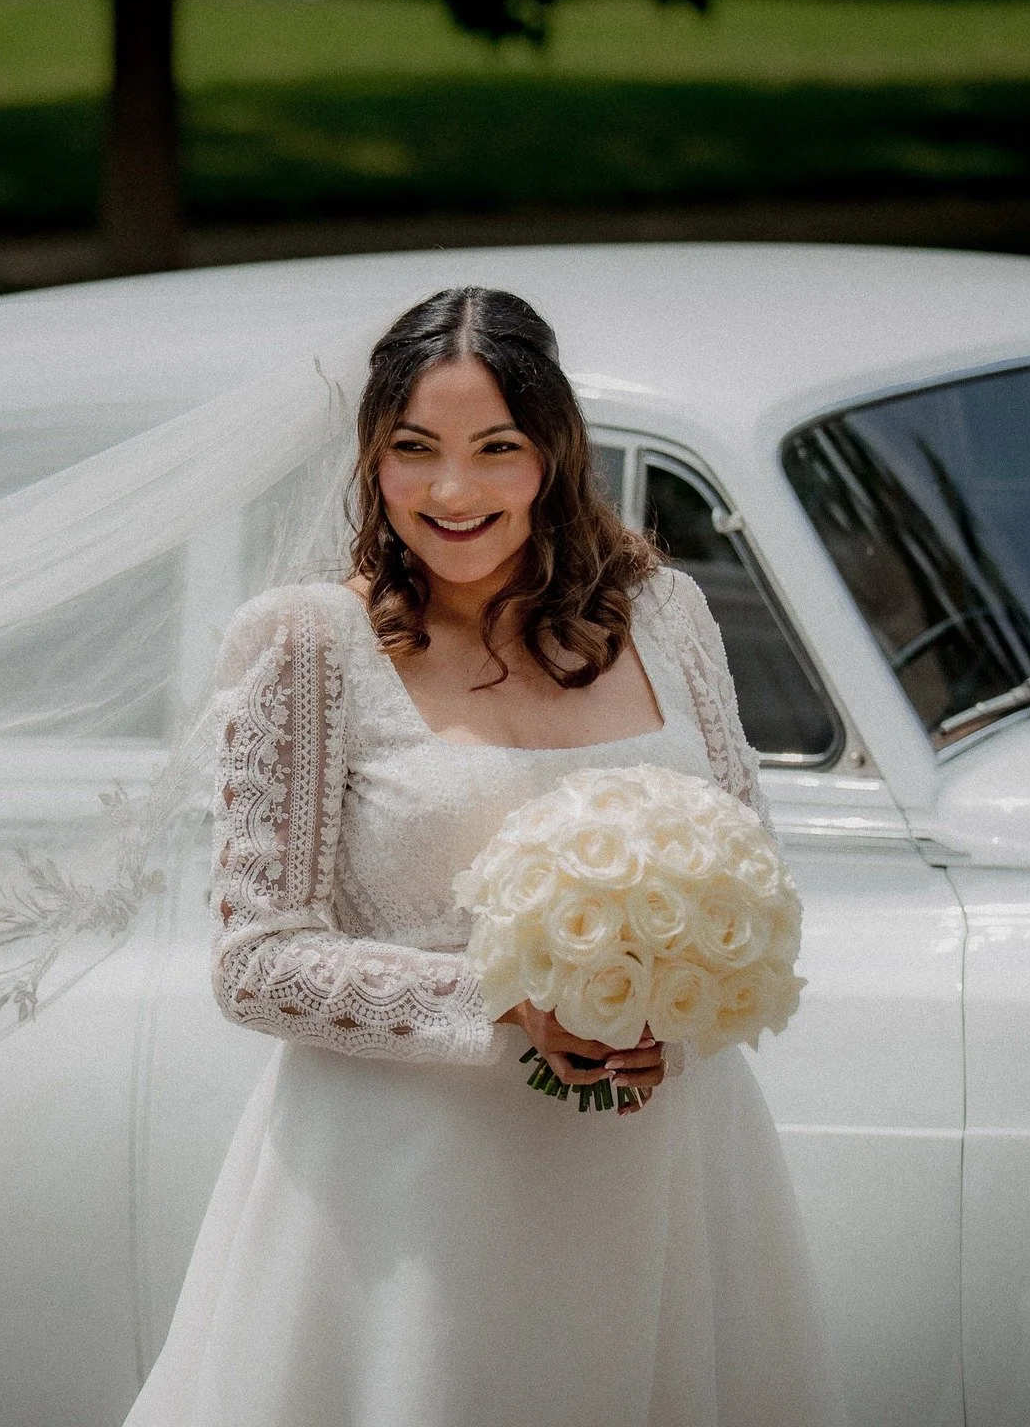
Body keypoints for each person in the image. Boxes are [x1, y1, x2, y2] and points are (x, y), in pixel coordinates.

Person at [124, 287, 844, 1427]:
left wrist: (679, 997)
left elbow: (748, 860)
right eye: (415, 450)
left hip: (663, 1167)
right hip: (410, 1197)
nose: (452, 492)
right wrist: (510, 999)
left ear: (553, 454)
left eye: (495, 449)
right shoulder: (310, 645)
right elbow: (256, 961)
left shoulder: (667, 615)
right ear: (374, 458)